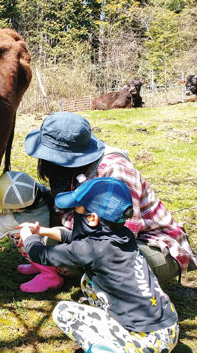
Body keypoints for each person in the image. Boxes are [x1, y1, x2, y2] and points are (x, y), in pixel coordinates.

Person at [19, 177, 179, 353]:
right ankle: (129, 352)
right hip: (168, 331)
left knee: (64, 313)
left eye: (77, 210)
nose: (74, 214)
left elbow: (42, 255)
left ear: (92, 218)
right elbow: (76, 239)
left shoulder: (91, 248)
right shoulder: (122, 236)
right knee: (88, 281)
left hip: (147, 341)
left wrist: (30, 238)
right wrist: (44, 230)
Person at [24, 111, 197, 284]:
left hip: (152, 243)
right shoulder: (68, 173)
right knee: (55, 244)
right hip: (101, 234)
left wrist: (69, 229)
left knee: (106, 260)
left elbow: (123, 233)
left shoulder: (115, 171)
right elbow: (69, 215)